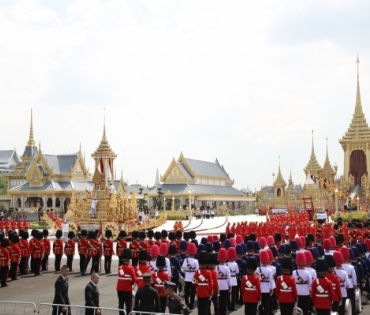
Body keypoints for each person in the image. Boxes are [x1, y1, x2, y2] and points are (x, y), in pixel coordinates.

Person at [116, 248, 136, 315]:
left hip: (119, 288)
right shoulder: (130, 268)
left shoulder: (120, 267)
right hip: (127, 288)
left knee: (121, 304)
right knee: (128, 305)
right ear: (128, 259)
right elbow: (134, 279)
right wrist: (131, 283)